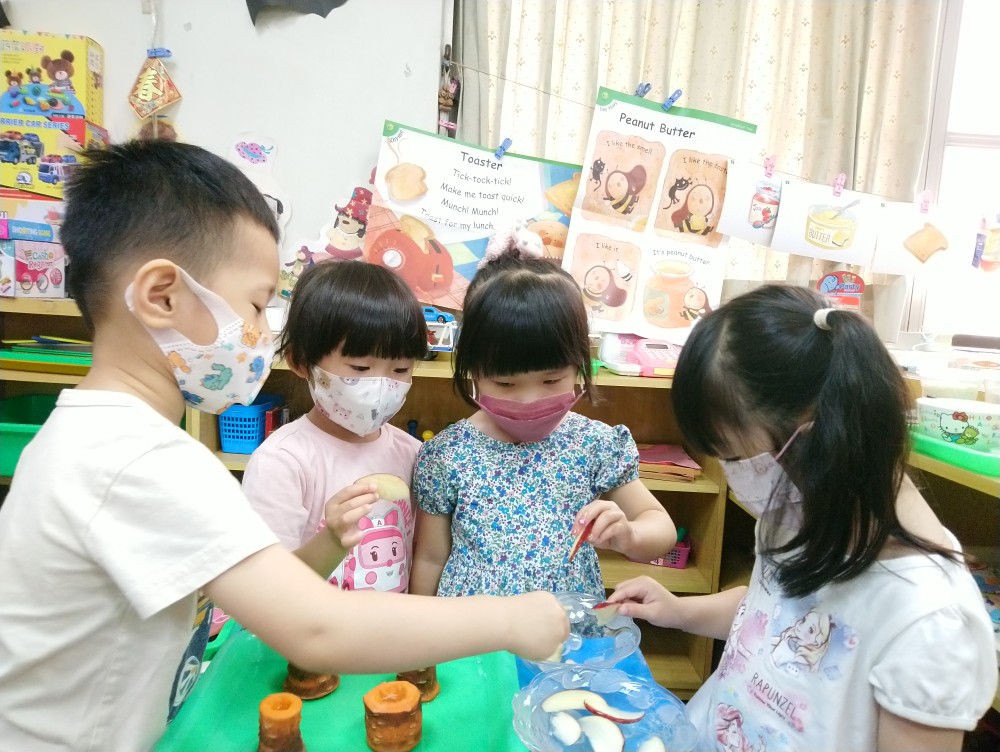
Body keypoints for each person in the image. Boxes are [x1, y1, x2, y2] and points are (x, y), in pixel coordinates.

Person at [0, 141, 568, 749]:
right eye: (254, 304)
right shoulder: (135, 458)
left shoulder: (98, 437)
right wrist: (509, 619)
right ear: (162, 295)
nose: (260, 334)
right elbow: (314, 627)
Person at [608, 285, 997, 752]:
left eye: (733, 458)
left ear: (817, 440)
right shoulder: (796, 514)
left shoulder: (929, 622)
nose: (730, 476)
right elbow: (771, 612)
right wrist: (679, 612)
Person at [410, 235, 676, 598]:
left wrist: (629, 535)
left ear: (579, 364)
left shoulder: (594, 445)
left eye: (552, 380)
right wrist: (423, 629)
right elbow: (430, 558)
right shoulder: (447, 454)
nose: (529, 399)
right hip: (473, 628)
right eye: (505, 383)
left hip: (564, 626)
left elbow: (660, 528)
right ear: (472, 370)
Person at [243, 261, 425, 593]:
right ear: (302, 362)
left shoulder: (414, 454)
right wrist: (331, 539)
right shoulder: (282, 461)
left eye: (400, 370)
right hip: (314, 624)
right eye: (360, 367)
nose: (381, 385)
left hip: (393, 623)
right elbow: (269, 589)